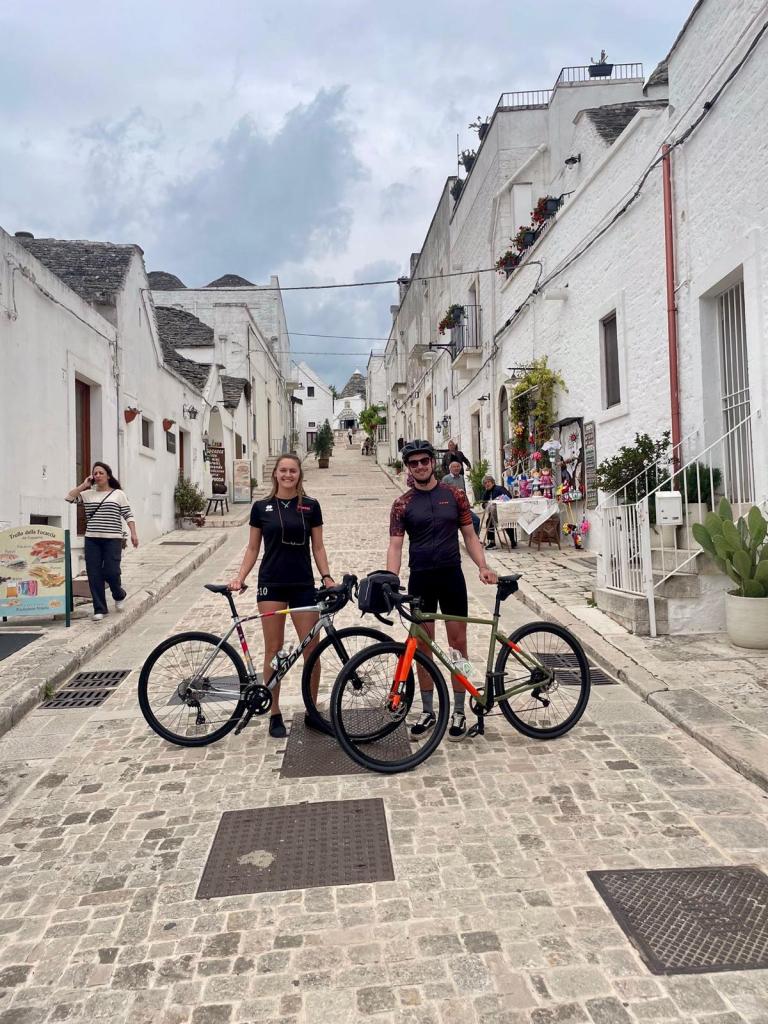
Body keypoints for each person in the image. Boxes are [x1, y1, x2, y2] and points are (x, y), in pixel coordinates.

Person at [387, 440, 497, 741]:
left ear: (432, 463)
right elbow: (395, 545)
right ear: (408, 467)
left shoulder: (455, 495)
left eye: (424, 461)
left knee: (457, 644)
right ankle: (427, 710)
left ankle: (460, 710)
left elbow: (470, 535)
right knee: (423, 646)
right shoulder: (402, 504)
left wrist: (483, 566)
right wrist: (390, 578)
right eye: (414, 463)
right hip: (421, 579)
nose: (420, 466)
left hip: (451, 576)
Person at [228, 454, 334, 739]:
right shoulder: (261, 508)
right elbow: (252, 548)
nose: (288, 475)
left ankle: (313, 711)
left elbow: (319, 546)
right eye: (283, 470)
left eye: (293, 471)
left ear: (299, 475)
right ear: (275, 474)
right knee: (273, 650)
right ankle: (274, 711)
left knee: (311, 649)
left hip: (302, 583)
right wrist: (241, 577)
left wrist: (326, 576)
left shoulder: (311, 507)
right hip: (271, 584)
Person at [65, 462, 138, 621]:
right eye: (95, 473)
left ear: (108, 476)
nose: (97, 475)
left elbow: (128, 515)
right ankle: (100, 608)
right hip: (92, 539)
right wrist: (83, 485)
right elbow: (69, 497)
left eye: (101, 473)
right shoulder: (87, 494)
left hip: (113, 539)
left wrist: (133, 533)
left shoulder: (118, 494)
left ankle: (119, 594)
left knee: (111, 571)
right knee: (94, 574)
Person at [442, 459, 481, 535]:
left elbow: (464, 491)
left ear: (460, 468)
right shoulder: (446, 479)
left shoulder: (461, 477)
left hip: (463, 507)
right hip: (452, 507)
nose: (456, 468)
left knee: (476, 520)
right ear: (450, 468)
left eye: (458, 466)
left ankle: (475, 539)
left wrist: (467, 503)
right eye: (454, 467)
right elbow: (443, 493)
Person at [481, 475, 517, 549]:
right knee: (489, 522)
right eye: (485, 483)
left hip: (504, 511)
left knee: (506, 521)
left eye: (488, 482)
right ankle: (492, 542)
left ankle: (512, 540)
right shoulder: (486, 492)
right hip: (493, 514)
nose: (487, 484)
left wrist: (498, 500)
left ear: (492, 482)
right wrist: (486, 505)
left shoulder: (500, 488)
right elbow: (483, 504)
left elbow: (508, 497)